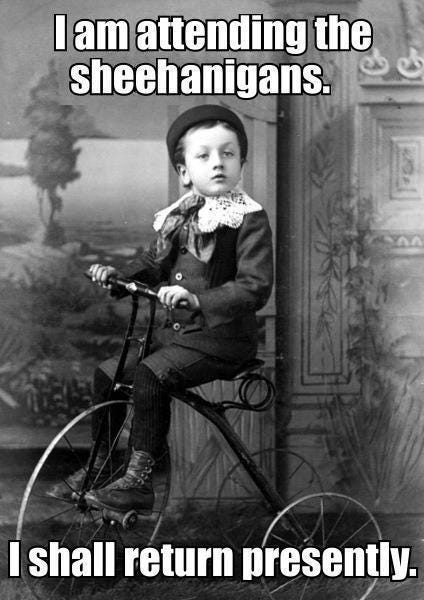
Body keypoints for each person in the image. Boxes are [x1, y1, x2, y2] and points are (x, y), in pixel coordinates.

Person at [49, 104, 274, 513]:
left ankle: (138, 483)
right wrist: (117, 276)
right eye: (203, 156)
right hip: (179, 338)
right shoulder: (180, 217)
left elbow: (254, 287)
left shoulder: (248, 219)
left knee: (151, 375)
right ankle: (101, 467)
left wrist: (198, 300)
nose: (218, 163)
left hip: (222, 341)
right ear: (185, 171)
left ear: (242, 164)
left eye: (228, 154)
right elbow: (154, 264)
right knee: (108, 374)